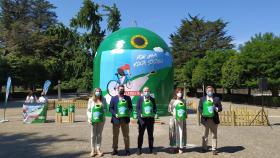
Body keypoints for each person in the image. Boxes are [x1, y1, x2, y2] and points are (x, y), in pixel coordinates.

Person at [198, 86, 223, 155]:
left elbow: (220, 108)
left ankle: (214, 149)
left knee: (214, 135)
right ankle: (204, 147)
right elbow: (199, 108)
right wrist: (202, 113)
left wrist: (216, 108)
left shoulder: (216, 99)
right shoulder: (202, 99)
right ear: (206, 91)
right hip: (205, 119)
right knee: (204, 134)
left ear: (213, 91)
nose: (210, 92)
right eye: (208, 91)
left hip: (214, 119)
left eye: (211, 90)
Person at [109, 85, 133, 156]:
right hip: (116, 120)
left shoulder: (128, 98)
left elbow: (130, 108)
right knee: (115, 135)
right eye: (120, 89)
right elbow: (110, 108)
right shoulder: (113, 98)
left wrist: (128, 112)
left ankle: (127, 149)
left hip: (125, 120)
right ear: (117, 90)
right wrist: (115, 114)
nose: (121, 90)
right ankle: (115, 149)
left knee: (126, 135)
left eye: (123, 89)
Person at [136, 87, 157, 155]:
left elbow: (155, 108)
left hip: (150, 120)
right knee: (140, 135)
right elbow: (137, 109)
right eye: (145, 91)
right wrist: (140, 116)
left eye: (147, 91)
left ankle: (151, 148)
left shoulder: (152, 99)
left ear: (149, 92)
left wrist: (154, 113)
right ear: (143, 92)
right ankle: (139, 149)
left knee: (150, 135)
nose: (146, 92)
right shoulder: (140, 99)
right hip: (142, 121)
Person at [87, 88, 107, 157]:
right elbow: (88, 110)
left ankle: (98, 149)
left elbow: (105, 109)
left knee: (99, 135)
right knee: (93, 135)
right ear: (94, 92)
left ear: (101, 92)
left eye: (99, 91)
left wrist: (102, 112)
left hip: (101, 120)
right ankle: (92, 149)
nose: (98, 92)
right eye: (97, 91)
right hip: (93, 120)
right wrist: (90, 118)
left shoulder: (103, 99)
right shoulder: (90, 100)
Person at [168, 87, 187, 154]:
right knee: (173, 132)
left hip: (182, 120)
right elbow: (169, 109)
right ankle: (173, 147)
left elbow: (185, 110)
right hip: (174, 119)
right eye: (178, 92)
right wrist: (173, 113)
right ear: (176, 93)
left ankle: (180, 147)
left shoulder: (184, 101)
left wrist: (184, 115)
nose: (180, 93)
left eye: (181, 92)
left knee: (181, 132)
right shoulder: (172, 101)